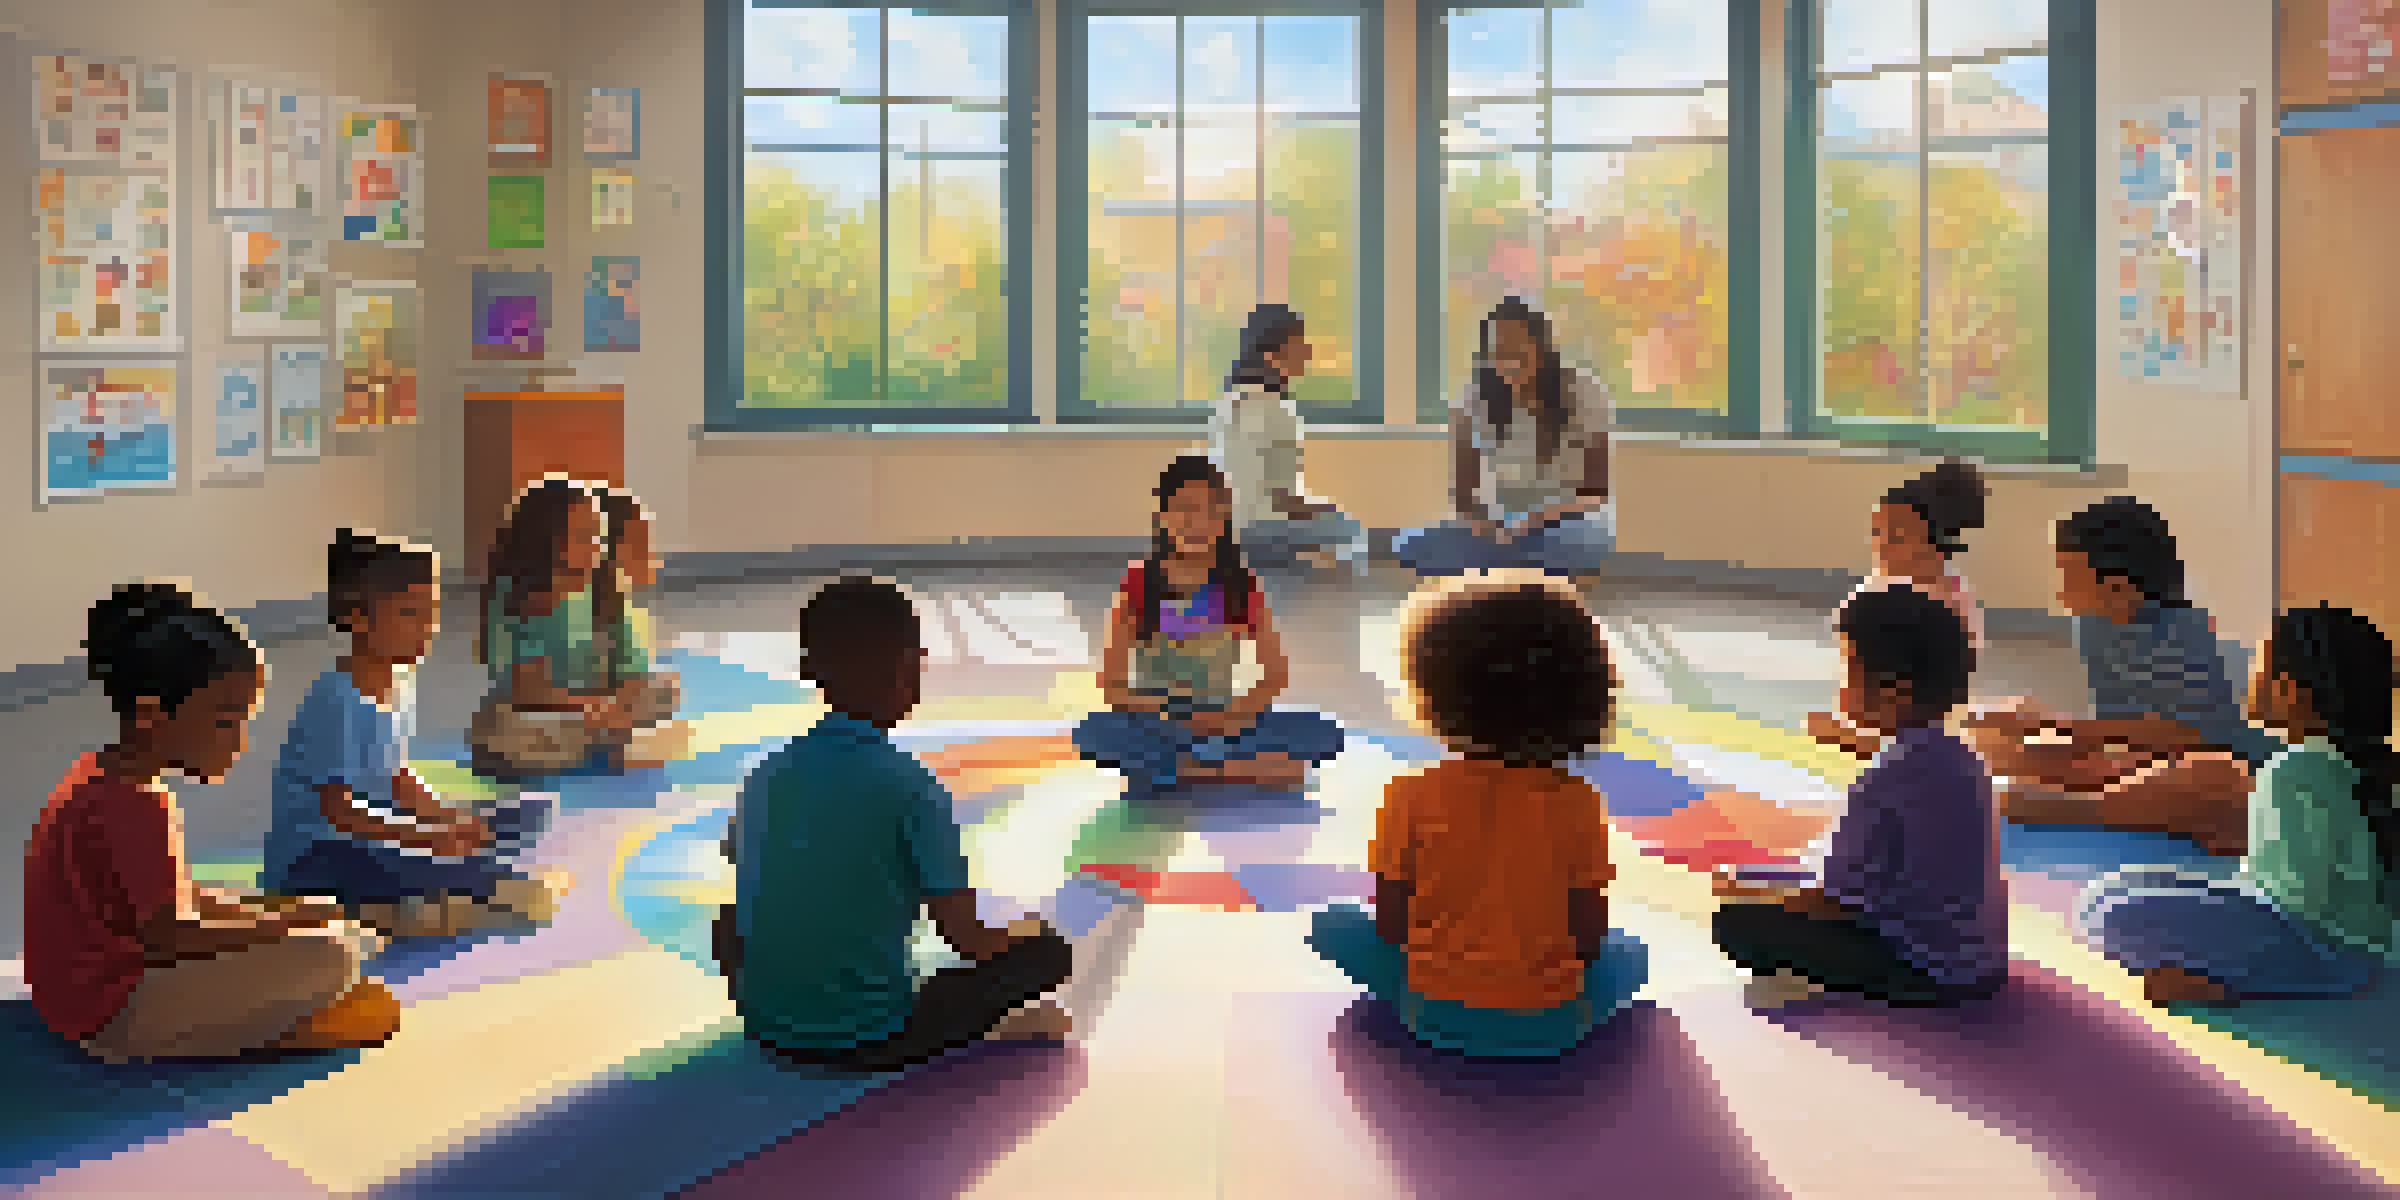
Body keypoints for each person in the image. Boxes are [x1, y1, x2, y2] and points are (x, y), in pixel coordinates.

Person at [24, 581, 399, 1062]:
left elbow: (176, 899)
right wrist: (280, 930)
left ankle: (285, 1009)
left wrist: (284, 912)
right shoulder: (131, 803)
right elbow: (173, 936)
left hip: (79, 999)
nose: (240, 743)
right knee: (333, 956)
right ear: (150, 716)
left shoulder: (107, 775)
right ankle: (258, 1035)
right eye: (226, 722)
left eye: (245, 722)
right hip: (111, 1016)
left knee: (336, 936)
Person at [714, 575, 1076, 1073]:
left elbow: (740, 886)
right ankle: (987, 1026)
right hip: (870, 1034)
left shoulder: (765, 774)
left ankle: (789, 1003)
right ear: (912, 670)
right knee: (1048, 953)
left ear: (807, 670)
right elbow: (963, 937)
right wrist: (1021, 932)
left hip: (766, 1027)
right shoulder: (913, 786)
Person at [1307, 573, 1648, 1058]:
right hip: (1556, 1024)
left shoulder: (1409, 793)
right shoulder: (1578, 799)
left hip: (1430, 1013)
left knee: (1331, 924)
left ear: (1433, 697)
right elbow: (1589, 936)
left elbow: (1390, 925)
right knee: (1631, 954)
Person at [2078, 604, 2400, 1008]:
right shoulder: (2342, 765)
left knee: (2115, 914)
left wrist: (2240, 889)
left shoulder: (2296, 771)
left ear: (2291, 692)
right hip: (2317, 929)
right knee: (2112, 890)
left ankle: (2237, 984)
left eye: (2259, 664)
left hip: (2320, 950)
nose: (2249, 674)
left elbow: (2300, 907)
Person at [265, 530, 572, 938]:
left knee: (531, 810)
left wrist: (450, 819)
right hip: (317, 856)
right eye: (411, 614)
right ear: (357, 620)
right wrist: (425, 836)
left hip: (379, 830)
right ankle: (457, 895)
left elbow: (397, 777)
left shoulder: (400, 681)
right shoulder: (335, 698)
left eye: (433, 611)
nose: (427, 627)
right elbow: (338, 810)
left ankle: (449, 892)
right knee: (421, 862)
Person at [1713, 585, 2007, 1009]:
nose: (1840, 682)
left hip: (1929, 972)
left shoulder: (1884, 776)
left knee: (1736, 925)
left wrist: (1754, 894)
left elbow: (1833, 903)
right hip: (1980, 960)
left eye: (1848, 667)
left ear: (1895, 690)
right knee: (1767, 878)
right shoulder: (1961, 753)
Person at [1960, 497, 2277, 856]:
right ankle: (2037, 792)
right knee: (1994, 743)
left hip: (2224, 767)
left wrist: (2055, 724)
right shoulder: (2093, 625)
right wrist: (2033, 730)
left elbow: (2190, 736)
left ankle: (2045, 804)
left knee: (2195, 781)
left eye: (2069, 577)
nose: (2061, 592)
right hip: (2148, 759)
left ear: (2117, 588)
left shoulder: (2187, 630)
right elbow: (2118, 728)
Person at [1073, 455, 1346, 798]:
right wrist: (1158, 713)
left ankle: (1180, 770)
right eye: (1185, 508)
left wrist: (1230, 717)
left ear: (1224, 518)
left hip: (1225, 721)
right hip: (1159, 724)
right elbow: (1111, 685)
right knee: (1092, 733)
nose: (1196, 521)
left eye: (1209, 510)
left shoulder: (1240, 586)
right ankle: (1226, 770)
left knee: (1324, 731)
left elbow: (1275, 675)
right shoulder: (1139, 585)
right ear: (1163, 517)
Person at [471, 476, 683, 780]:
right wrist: (592, 711)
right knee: (503, 734)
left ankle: (594, 742)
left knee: (664, 690)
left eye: (599, 535)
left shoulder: (607, 587)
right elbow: (526, 687)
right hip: (540, 712)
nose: (596, 546)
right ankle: (595, 744)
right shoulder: (512, 594)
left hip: (593, 709)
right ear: (547, 537)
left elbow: (631, 669)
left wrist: (617, 704)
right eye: (584, 535)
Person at [1393, 297, 1614, 577]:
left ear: (1542, 347)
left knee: (1578, 544)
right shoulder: (1474, 399)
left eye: (1519, 347)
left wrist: (1538, 517)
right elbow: (1464, 498)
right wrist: (1486, 525)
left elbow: (1596, 495)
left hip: (1571, 521)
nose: (1510, 359)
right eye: (1499, 350)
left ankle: (1504, 569)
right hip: (1506, 526)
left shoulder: (1584, 391)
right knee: (1409, 545)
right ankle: (1519, 569)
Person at [1811, 458, 1991, 761]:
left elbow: (1943, 713)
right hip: (1874, 728)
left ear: (1936, 543)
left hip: (1914, 739)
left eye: (1896, 537)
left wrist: (1855, 735)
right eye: (1877, 534)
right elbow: (1852, 679)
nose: (1880, 546)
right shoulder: (1874, 591)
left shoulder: (1949, 607)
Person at [1210, 303, 1365, 571]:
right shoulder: (1277, 411)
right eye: (1299, 345)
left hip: (1225, 531)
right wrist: (1326, 511)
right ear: (1272, 356)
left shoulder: (1230, 403)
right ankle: (1299, 567)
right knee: (1347, 526)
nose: (1308, 353)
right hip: (1258, 535)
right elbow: (1283, 500)